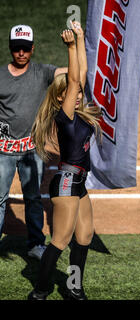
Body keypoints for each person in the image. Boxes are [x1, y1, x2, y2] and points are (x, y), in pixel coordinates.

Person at [28, 21, 102, 300]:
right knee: (60, 241)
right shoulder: (66, 116)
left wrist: (81, 38)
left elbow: (80, 75)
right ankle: (41, 290)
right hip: (67, 182)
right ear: (62, 98)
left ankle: (73, 287)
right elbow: (73, 79)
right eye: (74, 93)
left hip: (78, 183)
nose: (80, 93)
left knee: (84, 237)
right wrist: (70, 47)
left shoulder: (78, 112)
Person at [0, 25, 67, 259]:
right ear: (10, 48)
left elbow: (73, 74)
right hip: (3, 151)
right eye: (17, 48)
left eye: (26, 48)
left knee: (33, 199)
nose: (21, 53)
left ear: (33, 48)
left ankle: (36, 244)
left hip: (32, 150)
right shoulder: (0, 75)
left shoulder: (43, 72)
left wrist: (75, 47)